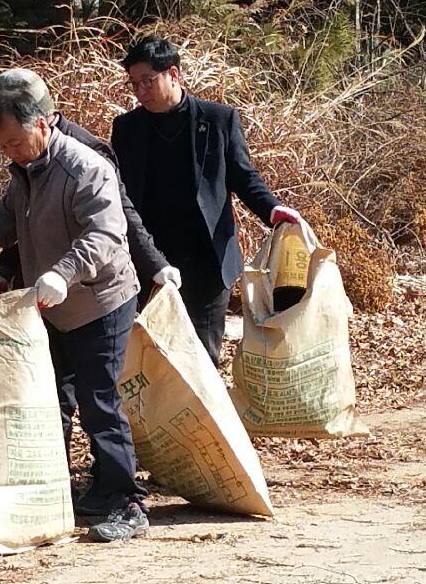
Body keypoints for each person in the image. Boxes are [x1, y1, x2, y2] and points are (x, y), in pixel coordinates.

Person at [0, 85, 150, 542]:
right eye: (1, 145)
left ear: (43, 124)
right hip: (52, 306)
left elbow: (105, 237)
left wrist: (61, 273)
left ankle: (126, 501)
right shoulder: (25, 173)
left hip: (100, 300)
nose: (10, 152)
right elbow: (3, 225)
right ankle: (57, 494)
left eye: (14, 141)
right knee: (54, 402)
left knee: (99, 400)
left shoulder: (85, 168)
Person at [111, 36, 305, 365]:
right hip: (148, 258)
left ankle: (202, 418)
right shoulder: (126, 128)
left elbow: (243, 176)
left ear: (173, 74)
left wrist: (272, 210)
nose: (140, 91)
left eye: (148, 81)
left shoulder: (217, 119)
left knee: (202, 357)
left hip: (206, 259)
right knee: (148, 356)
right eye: (134, 84)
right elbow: (120, 193)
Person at [0, 68, 178, 298]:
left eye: (15, 141)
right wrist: (2, 270)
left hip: (88, 290)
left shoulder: (85, 155)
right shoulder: (28, 153)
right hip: (40, 280)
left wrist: (155, 265)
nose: (10, 152)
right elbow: (29, 216)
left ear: (36, 118)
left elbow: (116, 217)